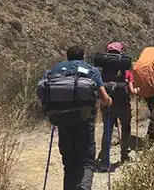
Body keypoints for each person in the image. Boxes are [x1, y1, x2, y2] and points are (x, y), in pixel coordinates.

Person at [44, 45, 112, 190]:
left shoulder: (55, 70)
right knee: (87, 162)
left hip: (62, 121)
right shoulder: (91, 71)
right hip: (84, 122)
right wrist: (109, 101)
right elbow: (104, 99)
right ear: (83, 56)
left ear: (67, 56)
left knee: (69, 163)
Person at [97, 42, 139, 171]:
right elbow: (132, 91)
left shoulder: (102, 70)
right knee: (125, 128)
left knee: (107, 131)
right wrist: (136, 90)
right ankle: (124, 155)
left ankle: (104, 161)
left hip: (107, 104)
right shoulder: (126, 70)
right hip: (123, 104)